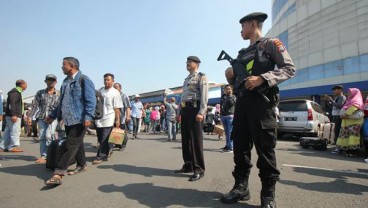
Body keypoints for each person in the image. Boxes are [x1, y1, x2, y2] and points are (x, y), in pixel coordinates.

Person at [220, 12, 295, 208]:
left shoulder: (271, 44)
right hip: (242, 105)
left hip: (263, 105)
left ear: (253, 24)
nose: (240, 31)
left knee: (265, 150)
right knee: (240, 149)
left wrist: (263, 78)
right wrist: (230, 76)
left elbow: (289, 68)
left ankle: (268, 196)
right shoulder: (241, 54)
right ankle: (240, 188)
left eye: (243, 26)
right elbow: (237, 82)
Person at [45, 57, 96, 185]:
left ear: (72, 66)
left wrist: (88, 117)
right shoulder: (65, 82)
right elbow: (62, 102)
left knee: (70, 145)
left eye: (64, 65)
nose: (62, 67)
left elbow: (91, 101)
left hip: (79, 119)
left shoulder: (83, 79)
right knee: (76, 143)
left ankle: (58, 173)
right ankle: (82, 164)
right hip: (68, 119)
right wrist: (53, 115)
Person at [174, 56, 208, 182]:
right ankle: (188, 164)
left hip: (195, 110)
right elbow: (183, 97)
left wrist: (201, 112)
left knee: (195, 140)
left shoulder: (201, 77)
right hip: (185, 110)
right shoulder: (186, 79)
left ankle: (198, 169)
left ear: (197, 64)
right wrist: (179, 112)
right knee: (185, 139)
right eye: (186, 62)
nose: (187, 64)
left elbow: (204, 96)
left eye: (190, 62)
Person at [92, 73, 123, 164]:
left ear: (113, 81)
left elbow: (117, 108)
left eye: (108, 80)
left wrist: (117, 120)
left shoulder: (115, 92)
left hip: (109, 118)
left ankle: (100, 156)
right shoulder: (100, 90)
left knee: (104, 138)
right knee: (100, 137)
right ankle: (107, 151)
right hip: (99, 118)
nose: (106, 81)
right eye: (105, 79)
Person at [29, 74, 60, 164]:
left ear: (56, 82)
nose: (51, 82)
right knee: (42, 137)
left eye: (53, 80)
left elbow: (61, 106)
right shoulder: (40, 93)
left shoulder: (59, 93)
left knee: (49, 136)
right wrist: (30, 117)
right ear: (45, 81)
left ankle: (51, 154)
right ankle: (44, 156)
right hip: (42, 117)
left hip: (53, 118)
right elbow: (35, 105)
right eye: (49, 80)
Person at [0, 79, 28, 152]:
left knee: (8, 131)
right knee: (15, 131)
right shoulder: (15, 93)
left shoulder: (16, 92)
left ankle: (3, 146)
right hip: (14, 115)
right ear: (21, 84)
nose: (26, 86)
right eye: (25, 84)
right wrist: (14, 114)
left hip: (12, 115)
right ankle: (13, 146)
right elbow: (12, 104)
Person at [335, 88, 364, 157]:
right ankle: (346, 150)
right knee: (346, 136)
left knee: (353, 137)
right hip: (346, 122)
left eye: (350, 92)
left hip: (354, 122)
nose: (348, 94)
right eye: (348, 92)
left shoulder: (356, 100)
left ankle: (354, 152)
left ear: (355, 93)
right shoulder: (349, 100)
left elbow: (353, 108)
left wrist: (344, 115)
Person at [113, 82, 131, 151]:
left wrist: (128, 116)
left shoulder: (124, 96)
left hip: (122, 117)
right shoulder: (114, 95)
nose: (115, 89)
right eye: (114, 88)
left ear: (120, 88)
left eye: (116, 88)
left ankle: (123, 144)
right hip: (114, 117)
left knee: (122, 131)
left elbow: (128, 107)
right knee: (116, 130)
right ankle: (117, 143)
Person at [220, 85, 236, 153]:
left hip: (230, 116)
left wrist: (229, 96)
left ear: (231, 90)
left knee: (230, 132)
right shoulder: (223, 97)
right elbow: (221, 105)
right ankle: (227, 145)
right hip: (223, 116)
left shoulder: (233, 97)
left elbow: (232, 103)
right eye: (226, 89)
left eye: (229, 89)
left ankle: (231, 147)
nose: (227, 90)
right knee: (226, 132)